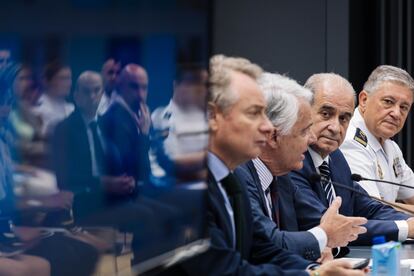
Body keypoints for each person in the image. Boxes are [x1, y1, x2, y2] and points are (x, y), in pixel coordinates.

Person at [173, 55, 365, 276]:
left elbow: (264, 250)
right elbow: (226, 271)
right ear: (211, 116)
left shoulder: (229, 179)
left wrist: (314, 269)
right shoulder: (186, 189)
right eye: (254, 113)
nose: (267, 126)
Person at [234, 73, 367, 261]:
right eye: (304, 131)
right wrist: (323, 236)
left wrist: (315, 268)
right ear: (273, 137)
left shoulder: (281, 177)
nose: (312, 138)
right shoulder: (238, 175)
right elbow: (265, 245)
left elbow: (283, 248)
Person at [289, 73, 414, 245]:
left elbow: (369, 207)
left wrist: (408, 222)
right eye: (326, 114)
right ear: (304, 111)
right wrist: (407, 228)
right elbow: (328, 225)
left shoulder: (335, 157)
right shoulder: (292, 161)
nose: (335, 127)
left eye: (343, 118)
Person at [341, 65, 414, 204]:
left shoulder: (391, 146)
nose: (396, 113)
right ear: (363, 100)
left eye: (404, 107)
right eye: (388, 102)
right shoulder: (349, 140)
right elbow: (375, 209)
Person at [151, 63, 208, 180]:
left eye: (205, 84)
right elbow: (172, 164)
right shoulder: (161, 116)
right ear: (176, 85)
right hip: (173, 189)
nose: (202, 89)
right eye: (195, 83)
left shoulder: (208, 116)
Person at [99, 63, 151, 184]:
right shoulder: (113, 119)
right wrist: (143, 135)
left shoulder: (140, 116)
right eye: (134, 87)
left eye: (144, 88)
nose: (141, 94)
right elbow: (133, 171)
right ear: (120, 86)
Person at [31, 62, 74, 137]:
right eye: (63, 78)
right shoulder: (37, 109)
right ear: (47, 81)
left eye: (69, 78)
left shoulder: (72, 109)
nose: (68, 83)